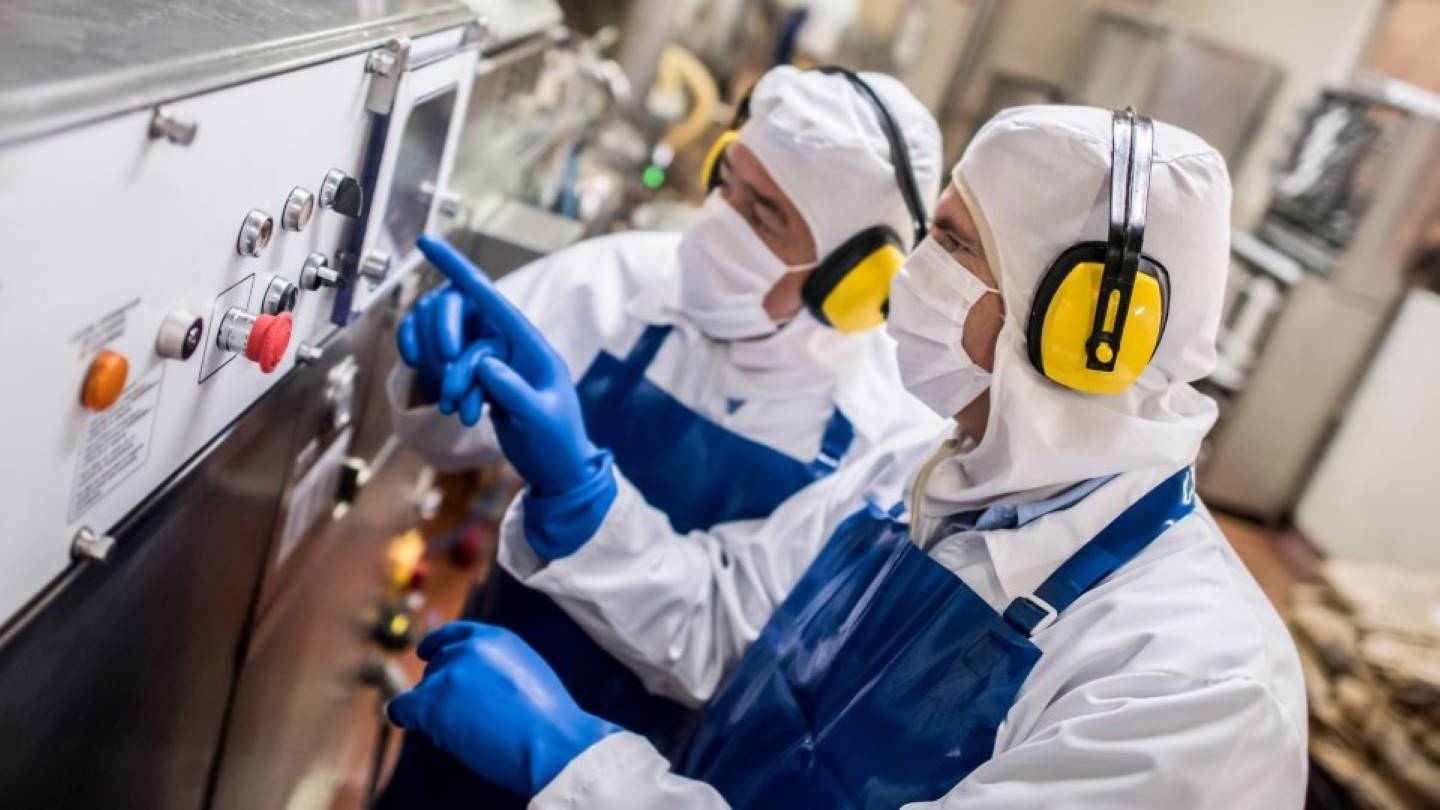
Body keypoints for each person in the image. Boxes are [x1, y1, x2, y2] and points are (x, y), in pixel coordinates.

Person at [388, 106, 1309, 807]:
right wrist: (577, 487)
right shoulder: (916, 480)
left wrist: (576, 767)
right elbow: (723, 624)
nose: (913, 274)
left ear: (1087, 329)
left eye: (953, 245)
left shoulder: (1195, 685)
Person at [380, 65, 943, 806]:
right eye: (727, 179)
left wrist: (581, 494)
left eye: (764, 213)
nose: (720, 219)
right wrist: (433, 372)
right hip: (471, 710)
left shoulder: (887, 442)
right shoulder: (625, 277)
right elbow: (446, 443)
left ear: (855, 280)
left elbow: (728, 645)